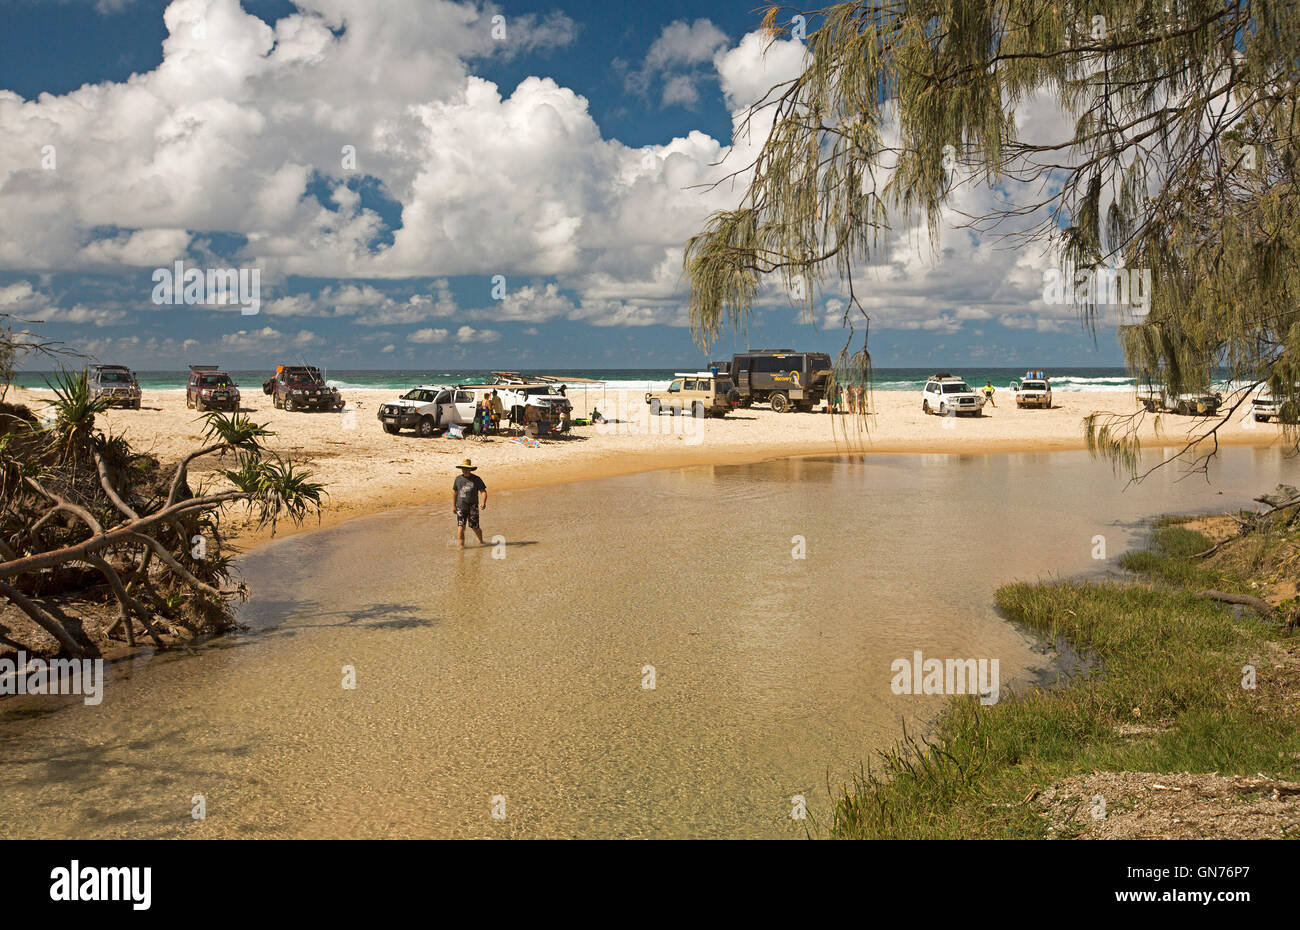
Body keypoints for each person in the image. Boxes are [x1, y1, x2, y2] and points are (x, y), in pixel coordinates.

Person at [452, 458, 487, 548]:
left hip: (473, 506)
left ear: (470, 469)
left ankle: (481, 541)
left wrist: (483, 502)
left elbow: (483, 491)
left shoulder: (476, 479)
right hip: (461, 506)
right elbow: (455, 492)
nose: (465, 470)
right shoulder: (458, 479)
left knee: (475, 527)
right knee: (461, 526)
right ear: (461, 469)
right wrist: (453, 505)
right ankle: (461, 546)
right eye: (463, 468)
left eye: (467, 468)